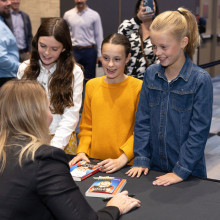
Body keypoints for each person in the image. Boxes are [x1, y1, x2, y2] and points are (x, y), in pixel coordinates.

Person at [0, 79, 141, 220]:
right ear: (36, 115)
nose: (51, 116)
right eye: (48, 108)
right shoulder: (45, 159)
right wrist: (115, 207)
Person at [126, 7, 213, 186]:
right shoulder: (151, 74)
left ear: (183, 42)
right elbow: (142, 120)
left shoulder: (200, 80)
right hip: (154, 168)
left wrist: (180, 171)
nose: (157, 53)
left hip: (188, 172)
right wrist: (141, 157)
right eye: (154, 46)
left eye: (164, 47)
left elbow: (199, 133)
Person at [69, 33, 143, 173]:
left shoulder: (138, 87)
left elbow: (140, 131)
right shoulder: (92, 85)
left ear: (127, 58)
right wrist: (82, 151)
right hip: (93, 162)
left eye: (117, 59)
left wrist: (123, 158)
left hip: (125, 164)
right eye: (106, 58)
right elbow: (86, 126)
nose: (110, 64)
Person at [17, 17, 83, 155]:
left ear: (64, 48)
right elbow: (21, 111)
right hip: (31, 140)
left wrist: (54, 147)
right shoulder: (25, 69)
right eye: (43, 46)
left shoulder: (74, 72)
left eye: (54, 49)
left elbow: (71, 114)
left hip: (62, 141)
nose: (47, 53)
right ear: (36, 43)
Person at [118, 0, 159, 80]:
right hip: (126, 79)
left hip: (147, 81)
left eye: (152, 6)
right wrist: (138, 19)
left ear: (155, 10)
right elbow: (120, 34)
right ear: (138, 8)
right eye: (144, 5)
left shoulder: (159, 30)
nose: (147, 8)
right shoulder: (130, 25)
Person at [63, 0, 103, 81]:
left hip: (89, 52)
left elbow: (99, 35)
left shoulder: (94, 15)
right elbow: (64, 34)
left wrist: (100, 54)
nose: (79, 1)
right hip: (73, 51)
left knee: (89, 79)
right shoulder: (67, 15)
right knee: (72, 78)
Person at [0, 0, 19, 87]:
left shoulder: (2, 21)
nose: (9, 3)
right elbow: (1, 58)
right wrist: (20, 66)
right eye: (4, 0)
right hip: (4, 78)